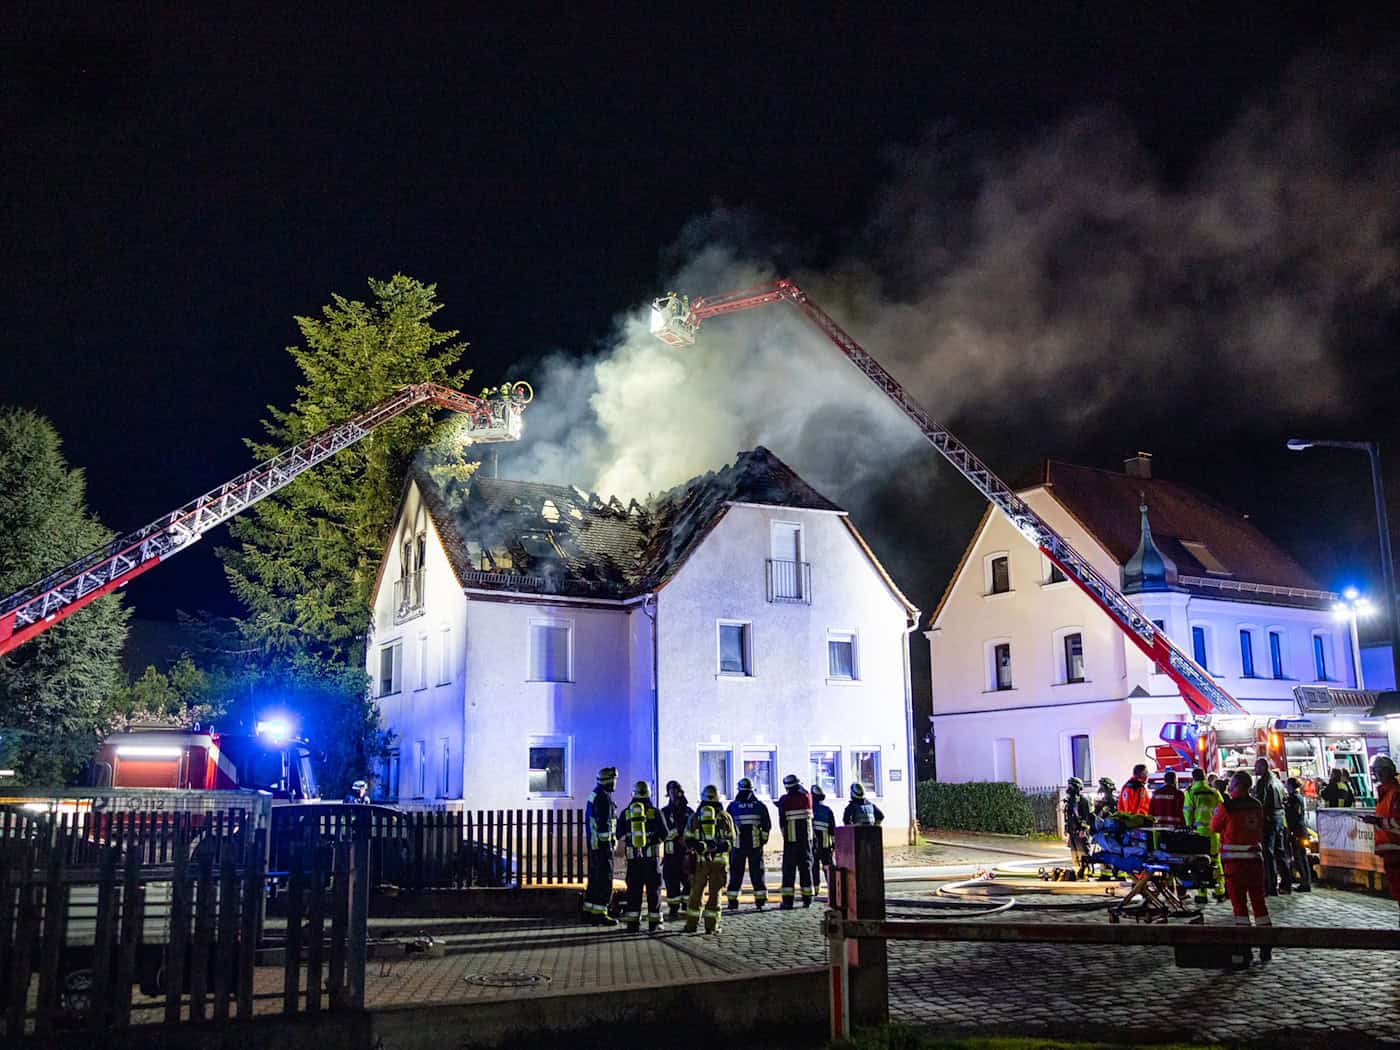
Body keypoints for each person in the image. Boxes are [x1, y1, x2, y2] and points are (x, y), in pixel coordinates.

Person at [1212, 771, 1272, 959]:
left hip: (1234, 865)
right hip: (1255, 862)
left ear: (1236, 785)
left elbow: (1214, 826)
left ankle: (1245, 947)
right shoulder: (1257, 805)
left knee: (1240, 907)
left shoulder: (1228, 806)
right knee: (1259, 904)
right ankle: (1266, 945)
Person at [616, 780, 667, 932]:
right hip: (652, 860)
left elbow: (619, 834)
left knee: (634, 891)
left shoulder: (626, 813)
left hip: (633, 860)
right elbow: (665, 833)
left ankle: (633, 924)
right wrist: (653, 840)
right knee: (654, 890)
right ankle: (655, 923)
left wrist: (632, 840)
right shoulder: (655, 812)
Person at [684, 785, 735, 934]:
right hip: (719, 863)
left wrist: (699, 846)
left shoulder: (695, 817)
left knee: (696, 893)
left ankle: (691, 925)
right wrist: (716, 847)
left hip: (700, 862)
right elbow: (731, 841)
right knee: (715, 894)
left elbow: (687, 838)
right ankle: (711, 926)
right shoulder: (725, 817)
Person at [1358, 755, 1400, 926]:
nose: (1376, 774)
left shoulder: (1395, 794)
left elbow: (1397, 822)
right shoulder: (1386, 794)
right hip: (1390, 853)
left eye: (1377, 771)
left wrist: (1377, 822)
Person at [726, 778, 771, 910]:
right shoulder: (760, 806)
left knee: (735, 873)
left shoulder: (732, 806)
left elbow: (726, 826)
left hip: (737, 845)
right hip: (755, 845)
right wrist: (763, 840)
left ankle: (733, 901)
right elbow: (767, 825)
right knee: (757, 873)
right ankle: (760, 900)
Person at [1183, 767, 1226, 903]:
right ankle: (1220, 890)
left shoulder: (1191, 792)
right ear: (1205, 777)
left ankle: (1202, 894)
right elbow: (1222, 811)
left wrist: (1189, 826)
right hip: (1214, 832)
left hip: (1199, 833)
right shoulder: (1214, 792)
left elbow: (1188, 812)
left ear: (1193, 778)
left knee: (1200, 863)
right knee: (1215, 861)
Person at [583, 766, 619, 925]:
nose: (616, 783)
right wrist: (609, 843)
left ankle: (589, 910)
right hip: (603, 846)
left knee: (595, 879)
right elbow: (604, 823)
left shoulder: (594, 794)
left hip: (594, 845)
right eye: (615, 779)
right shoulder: (604, 798)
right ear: (609, 780)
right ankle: (600, 913)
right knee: (605, 879)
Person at [1252, 757, 1291, 896]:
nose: (1255, 769)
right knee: (1280, 852)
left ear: (1262, 767)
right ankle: (1286, 884)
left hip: (1268, 819)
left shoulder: (1263, 782)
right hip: (1279, 818)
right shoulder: (1277, 781)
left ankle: (1270, 886)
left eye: (1256, 766)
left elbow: (1259, 803)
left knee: (1268, 854)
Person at [775, 774, 815, 908]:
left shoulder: (786, 800)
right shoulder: (807, 796)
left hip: (791, 840)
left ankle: (787, 901)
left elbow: (782, 820)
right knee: (806, 867)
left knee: (788, 870)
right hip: (807, 840)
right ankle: (807, 898)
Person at [660, 780, 694, 920]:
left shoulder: (688, 811)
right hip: (670, 854)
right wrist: (674, 834)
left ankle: (687, 905)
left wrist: (685, 838)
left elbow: (693, 828)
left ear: (680, 792)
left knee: (688, 881)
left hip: (686, 853)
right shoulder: (664, 812)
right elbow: (662, 830)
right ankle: (673, 908)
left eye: (675, 790)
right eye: (670, 791)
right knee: (671, 882)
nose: (673, 793)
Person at [1283, 777, 1312, 893]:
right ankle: (1305, 881)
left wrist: (1290, 830)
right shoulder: (1298, 797)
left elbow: (1292, 816)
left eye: (1287, 785)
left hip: (1297, 831)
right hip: (1300, 830)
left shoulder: (1293, 799)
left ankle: (1305, 882)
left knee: (1299, 856)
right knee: (1301, 856)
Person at [1063, 777, 1093, 878]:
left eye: (1071, 785)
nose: (1069, 788)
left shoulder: (1083, 800)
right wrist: (1067, 828)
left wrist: (1083, 829)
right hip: (1072, 831)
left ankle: (1086, 870)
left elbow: (1086, 816)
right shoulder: (1070, 801)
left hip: (1080, 831)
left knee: (1083, 851)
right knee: (1074, 852)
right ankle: (1078, 870)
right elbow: (1068, 816)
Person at [810, 784, 836, 897]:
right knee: (828, 867)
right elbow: (832, 830)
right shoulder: (828, 810)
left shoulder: (809, 809)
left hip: (812, 844)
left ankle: (815, 889)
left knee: (814, 866)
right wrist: (834, 845)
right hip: (825, 844)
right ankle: (833, 888)